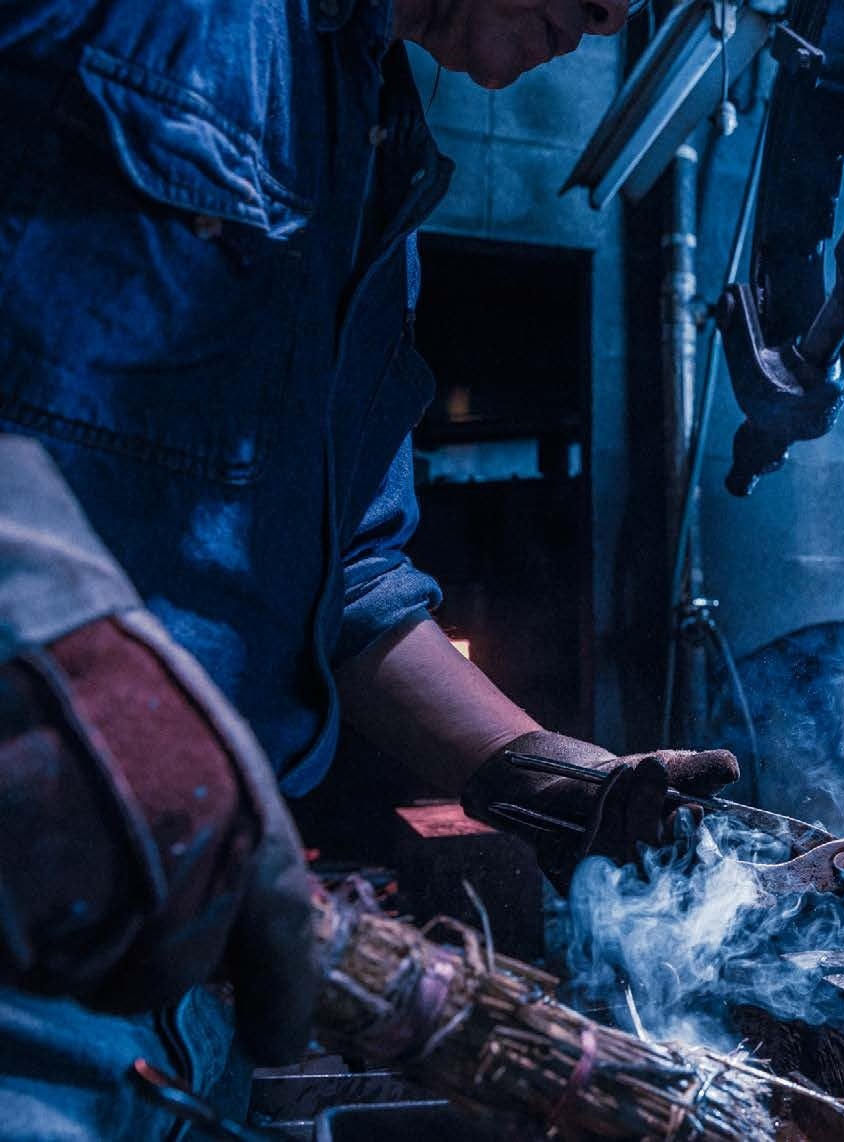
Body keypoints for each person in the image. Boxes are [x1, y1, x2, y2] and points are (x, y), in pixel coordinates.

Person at [0, 0, 738, 1136]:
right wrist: (62, 644)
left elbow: (346, 585)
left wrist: (536, 774)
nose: (616, 12)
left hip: (188, 975)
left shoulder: (374, 157)